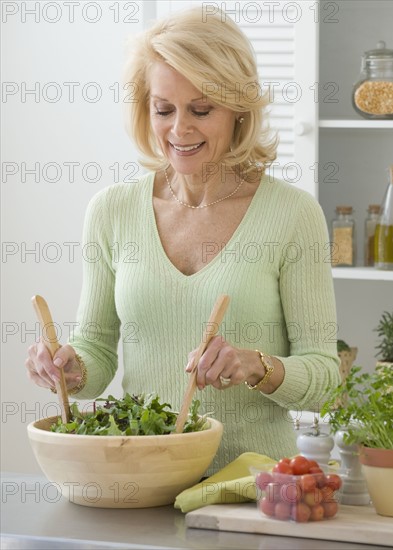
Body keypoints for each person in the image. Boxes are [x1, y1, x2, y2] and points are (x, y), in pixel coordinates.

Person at [25, 7, 340, 473]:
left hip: (252, 487)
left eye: (202, 109)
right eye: (163, 109)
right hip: (143, 480)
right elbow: (97, 351)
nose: (179, 129)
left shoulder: (292, 215)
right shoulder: (111, 211)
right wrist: (69, 367)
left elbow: (327, 383)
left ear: (238, 109)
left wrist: (255, 365)